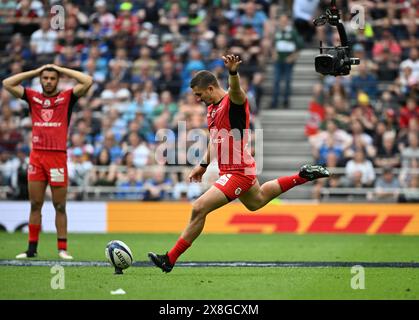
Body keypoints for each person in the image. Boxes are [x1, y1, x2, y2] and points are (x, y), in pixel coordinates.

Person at [148, 54, 330, 273]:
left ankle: (170, 258)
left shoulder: (232, 102)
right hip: (235, 168)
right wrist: (203, 165)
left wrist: (233, 73)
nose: (197, 99)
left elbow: (236, 92)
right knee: (257, 201)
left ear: (210, 89)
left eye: (198, 94)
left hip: (238, 172)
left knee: (198, 208)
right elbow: (215, 140)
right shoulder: (212, 108)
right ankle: (302, 175)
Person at [2, 64, 93, 259]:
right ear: (41, 80)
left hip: (57, 158)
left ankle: (62, 249)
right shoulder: (33, 97)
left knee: (60, 205)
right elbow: (7, 83)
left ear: (58, 80)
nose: (49, 81)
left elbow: (87, 81)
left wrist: (59, 68)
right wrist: (35, 71)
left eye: (52, 78)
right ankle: (31, 250)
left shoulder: (67, 97)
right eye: (45, 78)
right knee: (35, 204)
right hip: (37, 157)